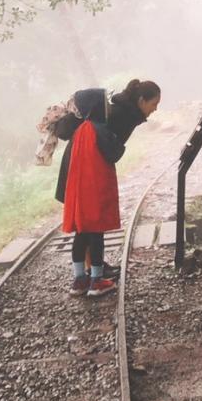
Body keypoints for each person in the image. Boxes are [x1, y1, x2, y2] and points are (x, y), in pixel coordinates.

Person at [59, 79, 161, 297]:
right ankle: (95, 278)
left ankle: (81, 279)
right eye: (154, 103)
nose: (155, 109)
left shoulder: (92, 125)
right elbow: (112, 151)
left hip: (79, 178)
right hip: (90, 180)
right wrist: (116, 144)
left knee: (82, 230)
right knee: (94, 231)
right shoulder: (114, 120)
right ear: (141, 100)